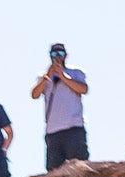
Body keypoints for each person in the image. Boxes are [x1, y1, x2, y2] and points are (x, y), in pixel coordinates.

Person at [29, 42, 89, 170]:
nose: (57, 56)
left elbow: (83, 89)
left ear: (65, 55)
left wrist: (63, 75)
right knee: (53, 171)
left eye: (60, 53)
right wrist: (47, 77)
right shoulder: (44, 77)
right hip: (53, 132)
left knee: (79, 168)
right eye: (54, 54)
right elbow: (34, 94)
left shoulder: (75, 72)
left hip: (73, 127)